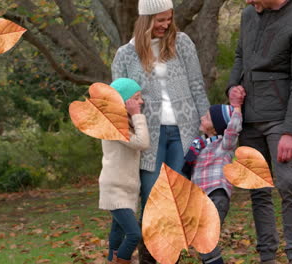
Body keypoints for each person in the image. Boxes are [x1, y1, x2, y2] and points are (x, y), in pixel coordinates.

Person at [111, 0, 210, 262]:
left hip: (184, 130)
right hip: (149, 137)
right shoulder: (125, 54)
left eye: (169, 19)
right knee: (153, 196)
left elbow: (197, 86)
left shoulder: (183, 43)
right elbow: (116, 100)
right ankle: (149, 256)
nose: (166, 25)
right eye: (160, 20)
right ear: (145, 19)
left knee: (175, 198)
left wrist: (206, 121)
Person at [226, 0, 292, 263]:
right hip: (249, 118)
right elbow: (240, 57)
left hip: (280, 119)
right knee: (257, 189)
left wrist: (291, 132)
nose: (247, 1)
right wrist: (232, 86)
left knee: (287, 183)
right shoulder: (248, 15)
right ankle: (267, 256)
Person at [182, 100, 244, 264]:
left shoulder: (223, 145)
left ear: (216, 127)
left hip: (217, 195)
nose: (202, 118)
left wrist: (237, 107)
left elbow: (233, 128)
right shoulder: (198, 145)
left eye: (207, 117)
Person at [98, 78, 150, 264]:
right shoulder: (114, 125)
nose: (141, 102)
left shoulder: (121, 123)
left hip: (125, 188)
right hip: (115, 188)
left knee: (117, 232)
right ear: (124, 101)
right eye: (137, 98)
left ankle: (112, 259)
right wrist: (137, 115)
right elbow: (142, 143)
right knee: (134, 234)